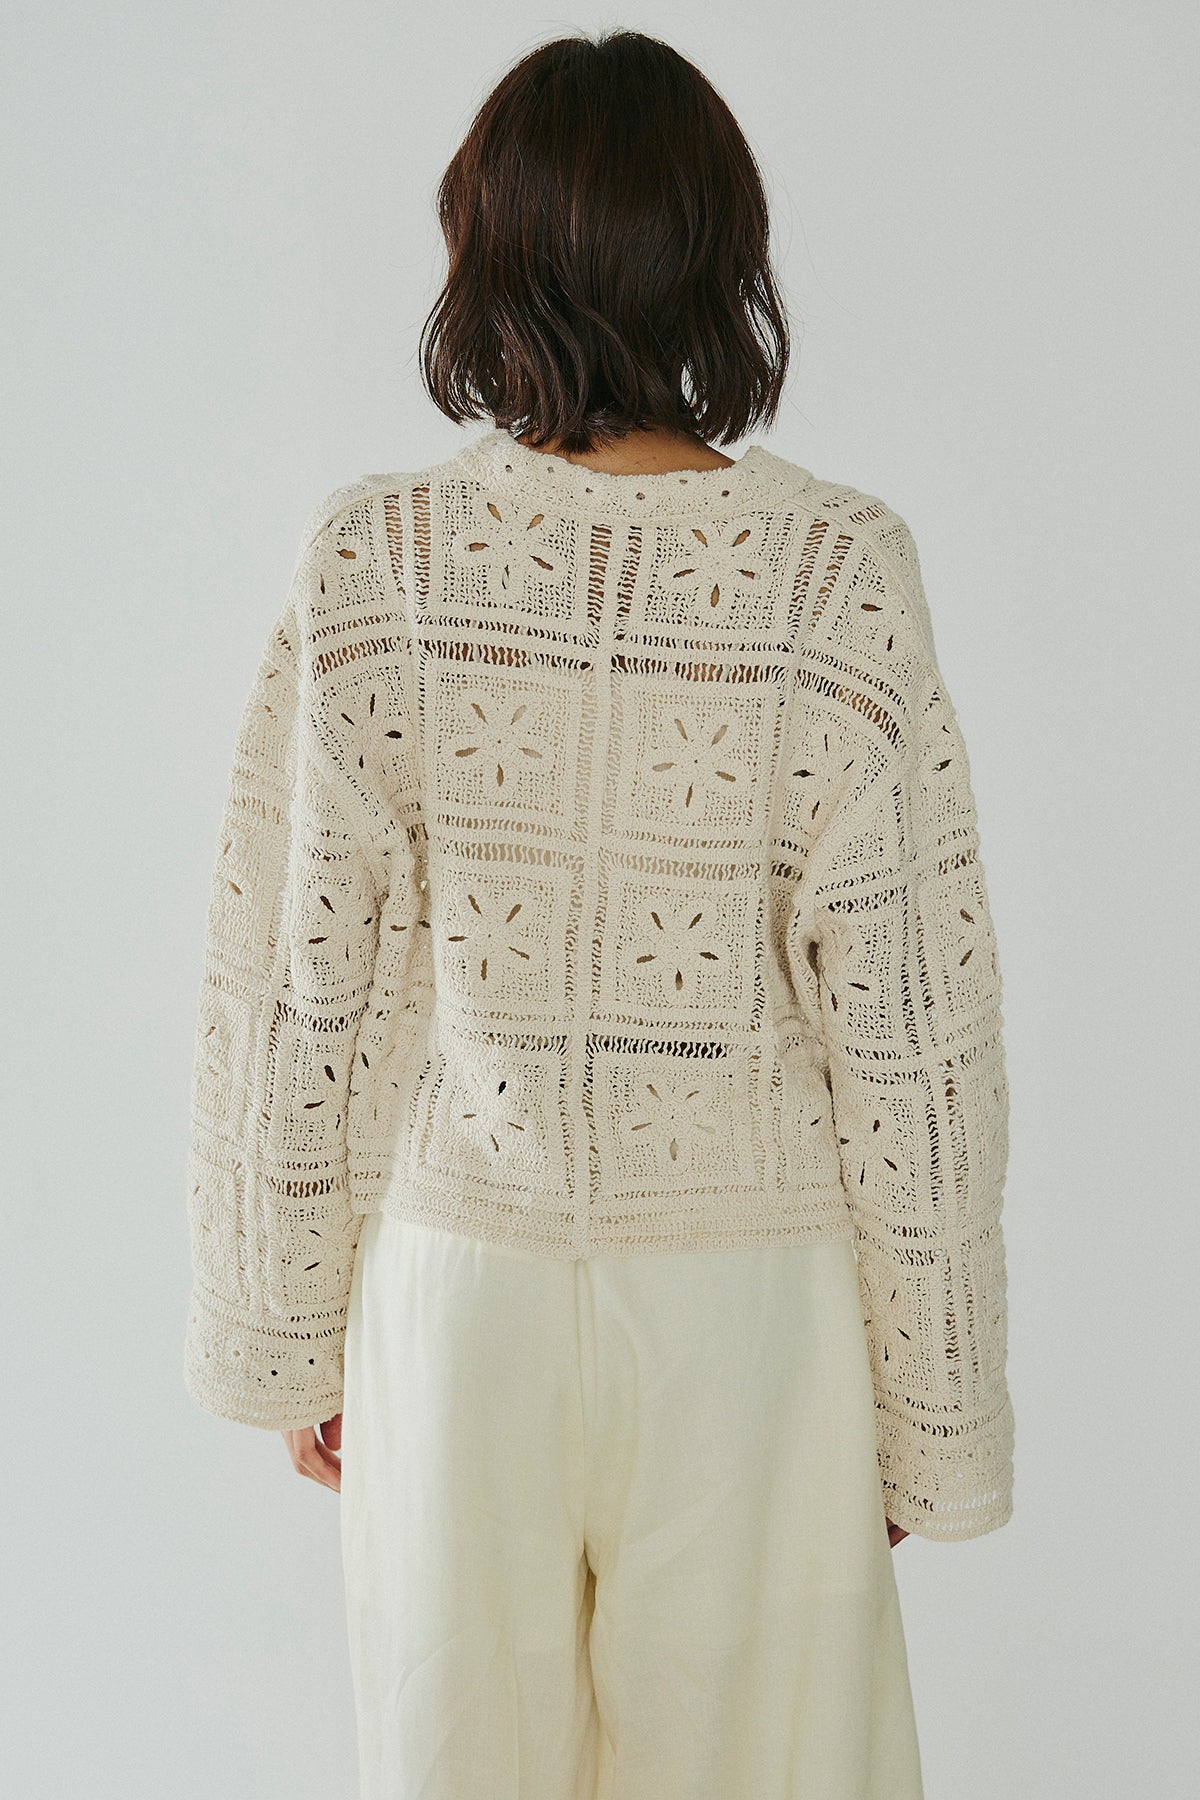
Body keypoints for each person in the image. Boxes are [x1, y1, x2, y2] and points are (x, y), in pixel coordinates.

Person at [183, 26, 1014, 1800]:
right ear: (721, 254)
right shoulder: (835, 570)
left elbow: (301, 973)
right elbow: (910, 1030)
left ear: (485, 249)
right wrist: (922, 1407)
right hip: (752, 1310)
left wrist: (293, 1319)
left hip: (459, 1292)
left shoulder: (380, 559)